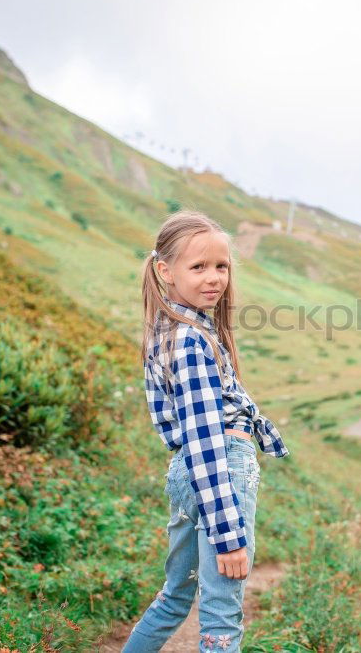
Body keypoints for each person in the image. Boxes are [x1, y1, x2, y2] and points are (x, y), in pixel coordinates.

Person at [122, 210, 290, 653]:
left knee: (175, 596)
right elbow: (204, 439)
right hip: (219, 474)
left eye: (221, 266)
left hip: (187, 474)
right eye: (198, 267)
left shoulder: (166, 330)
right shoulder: (192, 339)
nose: (213, 278)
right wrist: (230, 537)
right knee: (221, 616)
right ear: (165, 270)